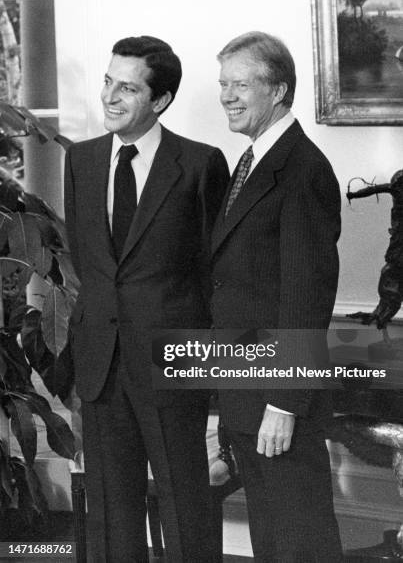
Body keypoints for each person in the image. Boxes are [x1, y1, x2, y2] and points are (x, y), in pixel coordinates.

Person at [64, 35, 229, 563]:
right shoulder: (82, 161)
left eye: (128, 88)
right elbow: (88, 266)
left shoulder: (201, 165)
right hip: (102, 367)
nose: (110, 97)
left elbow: (215, 276)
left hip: (172, 366)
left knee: (187, 510)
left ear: (159, 101)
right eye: (107, 82)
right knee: (111, 520)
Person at [211, 31, 343, 562]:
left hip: (279, 399)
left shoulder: (303, 171)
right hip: (246, 392)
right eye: (223, 84)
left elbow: (305, 301)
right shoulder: (251, 162)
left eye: (239, 84)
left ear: (279, 90)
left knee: (300, 541)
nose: (226, 96)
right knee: (273, 542)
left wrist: (284, 402)